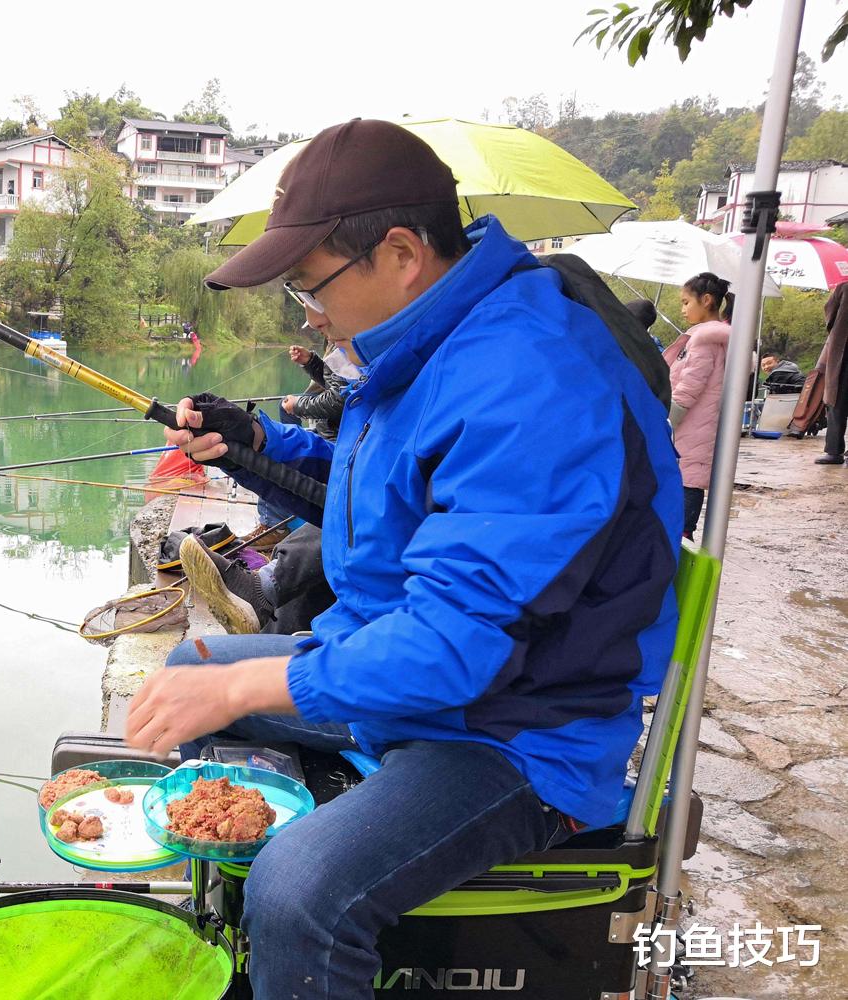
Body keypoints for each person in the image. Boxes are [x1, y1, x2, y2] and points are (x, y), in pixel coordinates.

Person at [123, 120, 681, 1000]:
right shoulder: (424, 348)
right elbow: (377, 494)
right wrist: (254, 441)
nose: (308, 315)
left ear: (400, 252)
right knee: (191, 666)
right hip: (396, 675)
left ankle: (299, 946)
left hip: (517, 730)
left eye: (310, 289)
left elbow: (455, 645)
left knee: (299, 890)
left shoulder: (530, 377)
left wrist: (244, 688)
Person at [669, 272, 734, 537]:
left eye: (686, 302)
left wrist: (669, 421)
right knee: (686, 477)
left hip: (691, 424)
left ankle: (682, 539)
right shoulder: (709, 338)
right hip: (696, 425)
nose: (683, 308)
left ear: (706, 300)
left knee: (687, 479)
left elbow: (689, 387)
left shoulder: (706, 340)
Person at [816, 280, 848, 465]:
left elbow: (830, 312)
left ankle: (834, 451)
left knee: (836, 401)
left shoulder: (844, 286)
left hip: (843, 350)